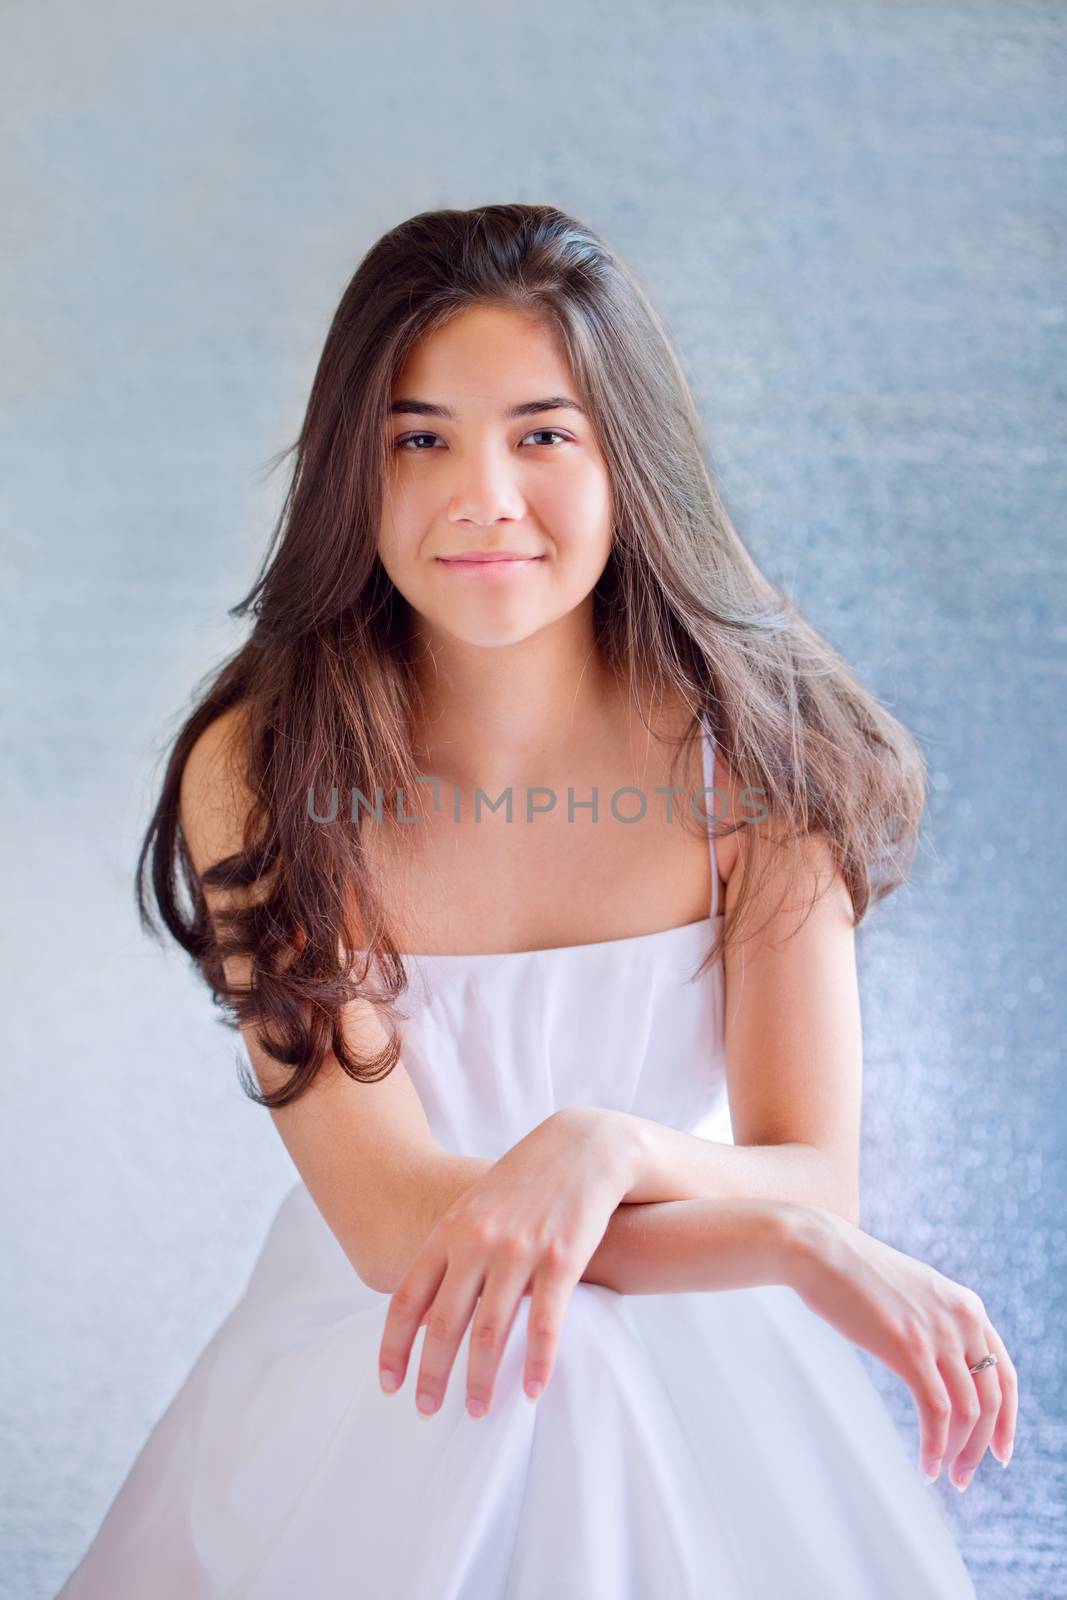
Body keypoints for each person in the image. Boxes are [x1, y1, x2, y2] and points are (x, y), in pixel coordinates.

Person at [57, 203, 1014, 1598]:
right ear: (352, 472)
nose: (483, 494)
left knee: (601, 1400)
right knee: (514, 1398)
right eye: (421, 437)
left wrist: (604, 1147)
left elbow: (823, 1169)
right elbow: (395, 1224)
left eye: (543, 434)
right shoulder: (262, 765)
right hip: (383, 1360)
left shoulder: (761, 746)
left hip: (702, 1374)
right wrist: (786, 1241)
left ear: (629, 455)